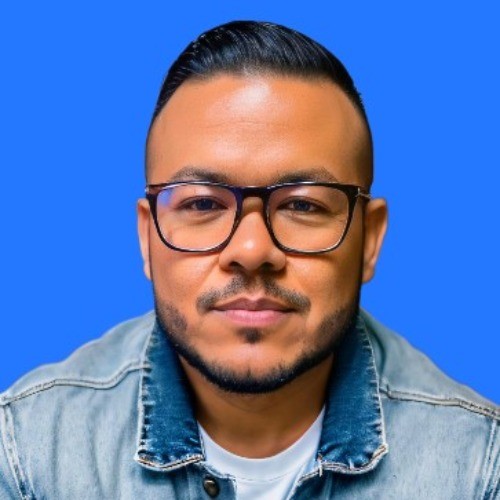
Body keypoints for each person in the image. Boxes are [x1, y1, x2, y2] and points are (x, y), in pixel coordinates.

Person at [0, 20, 498, 500]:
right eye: (202, 203)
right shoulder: (27, 455)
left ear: (369, 239)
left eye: (303, 205)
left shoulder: (478, 468)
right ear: (147, 236)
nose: (253, 251)